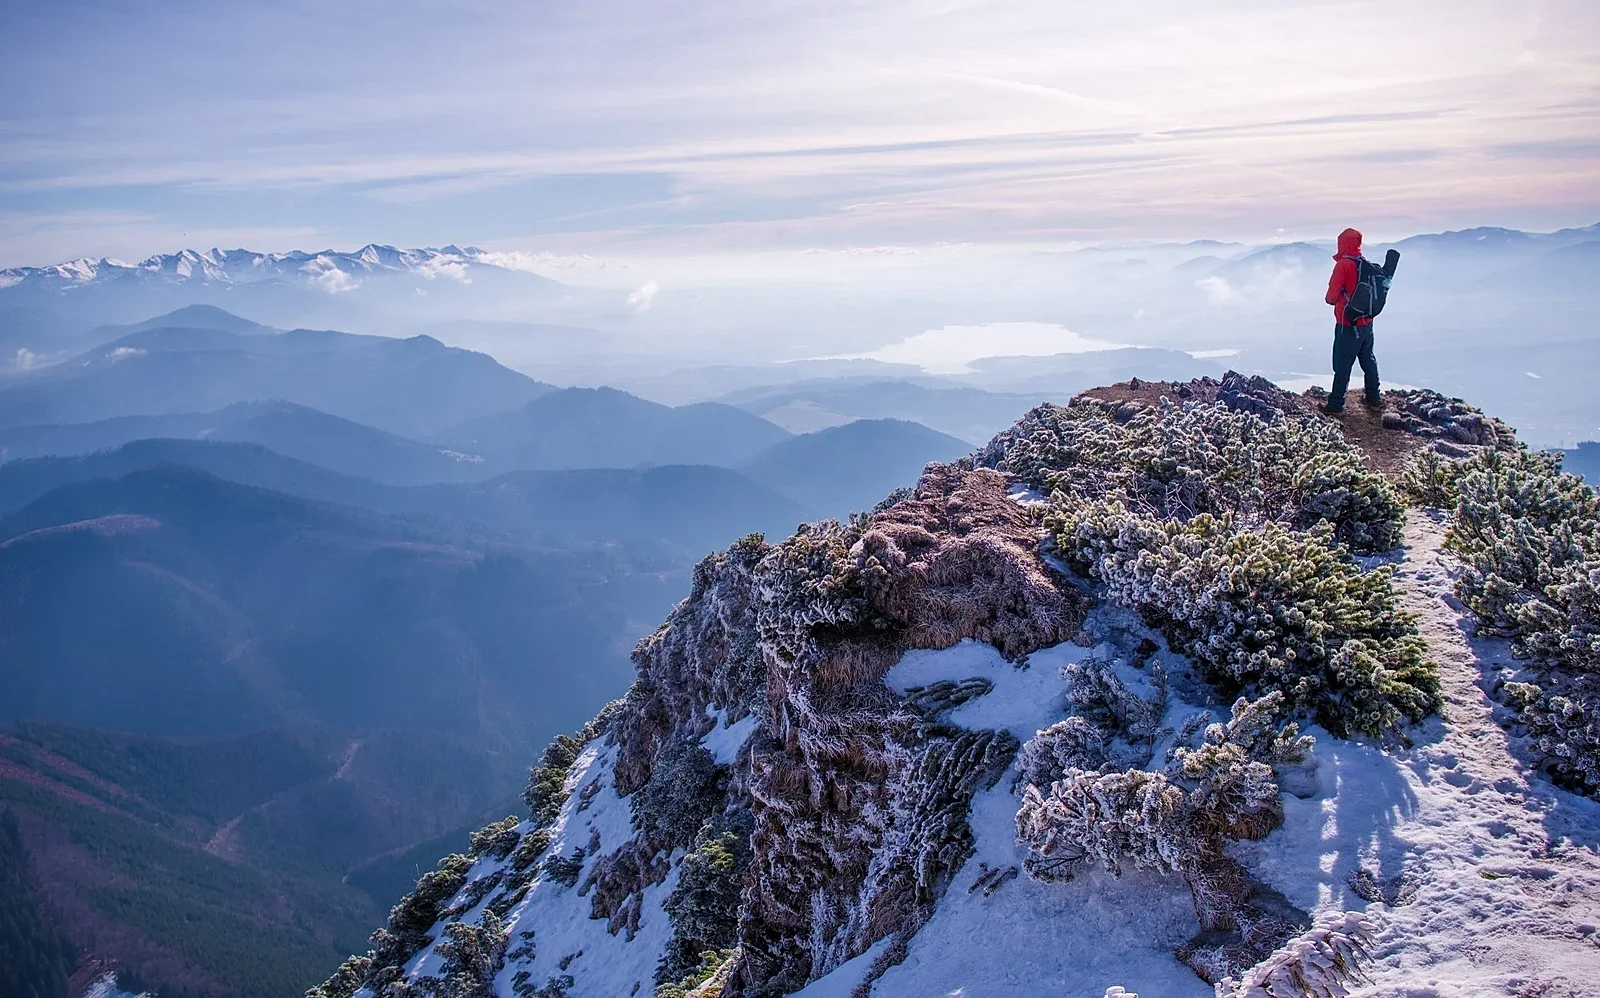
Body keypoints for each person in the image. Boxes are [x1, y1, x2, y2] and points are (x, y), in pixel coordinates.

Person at [1322, 227, 1394, 413]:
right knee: (1368, 359)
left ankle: (1336, 405)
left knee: (1342, 364)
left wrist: (1335, 300)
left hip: (1347, 324)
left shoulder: (1343, 265)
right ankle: (1373, 397)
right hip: (1367, 323)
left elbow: (1331, 297)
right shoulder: (1364, 264)